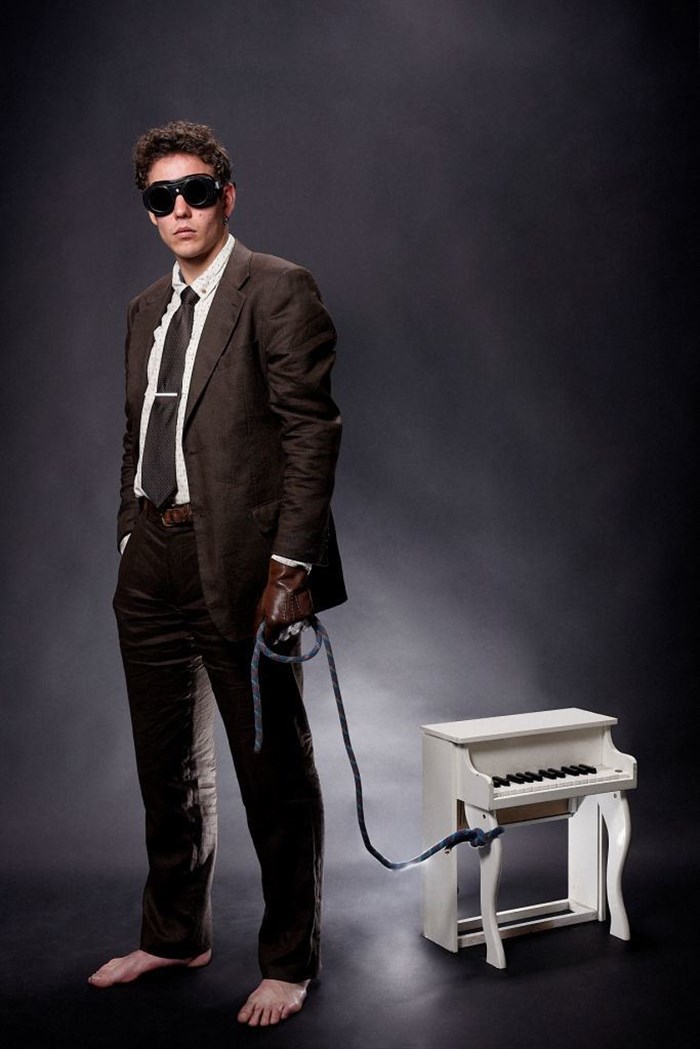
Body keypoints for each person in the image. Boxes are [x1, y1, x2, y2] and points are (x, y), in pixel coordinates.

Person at [88, 121, 346, 1027]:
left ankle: (289, 958)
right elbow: (138, 435)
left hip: (244, 562)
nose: (181, 210)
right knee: (166, 767)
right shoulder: (142, 311)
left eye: (196, 190)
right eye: (162, 197)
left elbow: (312, 431)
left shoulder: (276, 287)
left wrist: (290, 567)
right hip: (152, 558)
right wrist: (129, 535)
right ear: (149, 211)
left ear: (226, 195)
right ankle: (174, 934)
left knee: (273, 771)